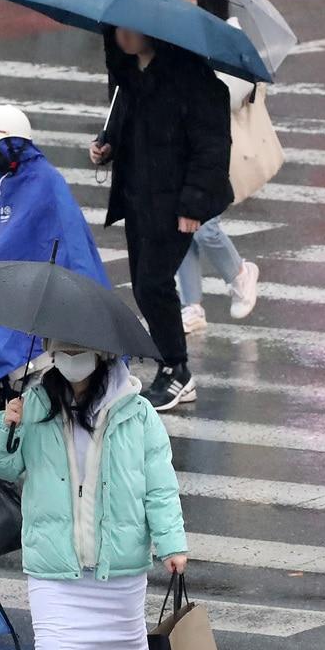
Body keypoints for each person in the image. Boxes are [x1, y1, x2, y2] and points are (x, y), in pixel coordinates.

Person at [0, 344, 188, 650]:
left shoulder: (137, 413)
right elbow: (0, 465)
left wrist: (172, 543)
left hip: (118, 561)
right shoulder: (35, 403)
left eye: (78, 351)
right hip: (54, 561)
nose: (69, 358)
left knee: (131, 649)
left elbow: (159, 483)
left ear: (102, 354)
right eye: (61, 350)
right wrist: (6, 424)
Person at [92, 27, 232, 412]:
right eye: (117, 30)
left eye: (131, 31)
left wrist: (194, 205)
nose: (122, 37)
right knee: (144, 286)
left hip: (174, 201)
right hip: (138, 197)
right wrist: (106, 144)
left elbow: (212, 147)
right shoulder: (127, 74)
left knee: (154, 284)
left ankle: (178, 369)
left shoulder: (192, 79)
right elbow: (124, 121)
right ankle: (170, 365)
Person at [0, 105, 111, 416]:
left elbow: (70, 243)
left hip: (32, 294)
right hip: (1, 288)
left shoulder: (46, 182)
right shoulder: (1, 179)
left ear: (15, 144)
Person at [172, 0, 261, 334]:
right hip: (179, 144)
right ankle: (191, 305)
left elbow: (238, 92)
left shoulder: (226, 39)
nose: (178, 2)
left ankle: (240, 272)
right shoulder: (177, 36)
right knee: (180, 227)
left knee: (205, 226)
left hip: (212, 147)